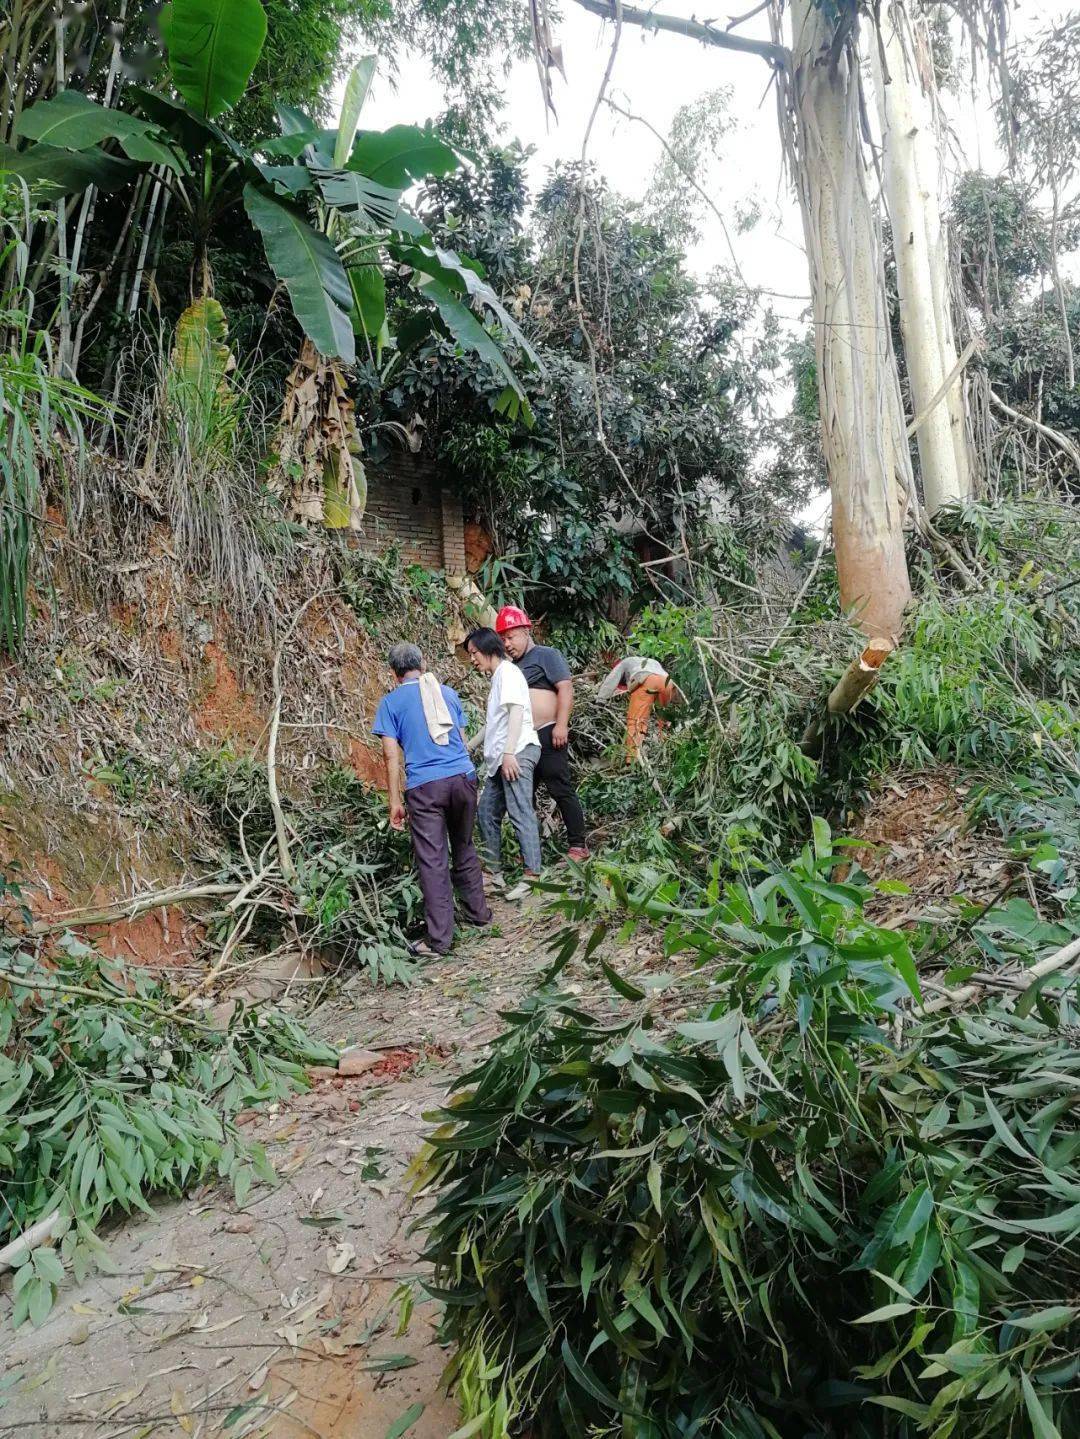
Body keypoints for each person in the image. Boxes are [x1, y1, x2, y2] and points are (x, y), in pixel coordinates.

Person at [373, 642, 491, 957]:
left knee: (433, 861)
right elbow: (463, 742)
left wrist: (394, 800)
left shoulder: (390, 703)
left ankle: (440, 941)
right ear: (422, 664)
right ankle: (480, 915)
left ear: (393, 673)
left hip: (426, 788)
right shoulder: (446, 693)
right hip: (463, 779)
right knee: (465, 846)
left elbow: (389, 755)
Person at [496, 604, 589, 863]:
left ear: (526, 631)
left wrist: (561, 724)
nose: (507, 643)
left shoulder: (546, 655)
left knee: (560, 788)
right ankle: (530, 850)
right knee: (523, 796)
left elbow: (565, 688)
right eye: (502, 638)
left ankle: (578, 845)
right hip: (525, 740)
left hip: (548, 733)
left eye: (511, 636)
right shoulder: (511, 668)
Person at [464, 626, 543, 901]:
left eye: (474, 653)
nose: (473, 659)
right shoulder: (498, 678)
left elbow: (516, 712)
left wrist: (509, 753)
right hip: (502, 758)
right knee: (486, 811)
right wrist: (468, 747)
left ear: (487, 648)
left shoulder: (508, 673)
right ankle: (494, 875)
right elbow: (493, 724)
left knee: (521, 811)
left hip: (517, 751)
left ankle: (533, 876)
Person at [596, 655, 678, 761]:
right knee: (663, 720)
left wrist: (600, 700)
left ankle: (632, 760)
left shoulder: (623, 663)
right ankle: (665, 752)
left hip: (648, 681)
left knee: (636, 722)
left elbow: (610, 681)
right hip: (668, 683)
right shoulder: (650, 662)